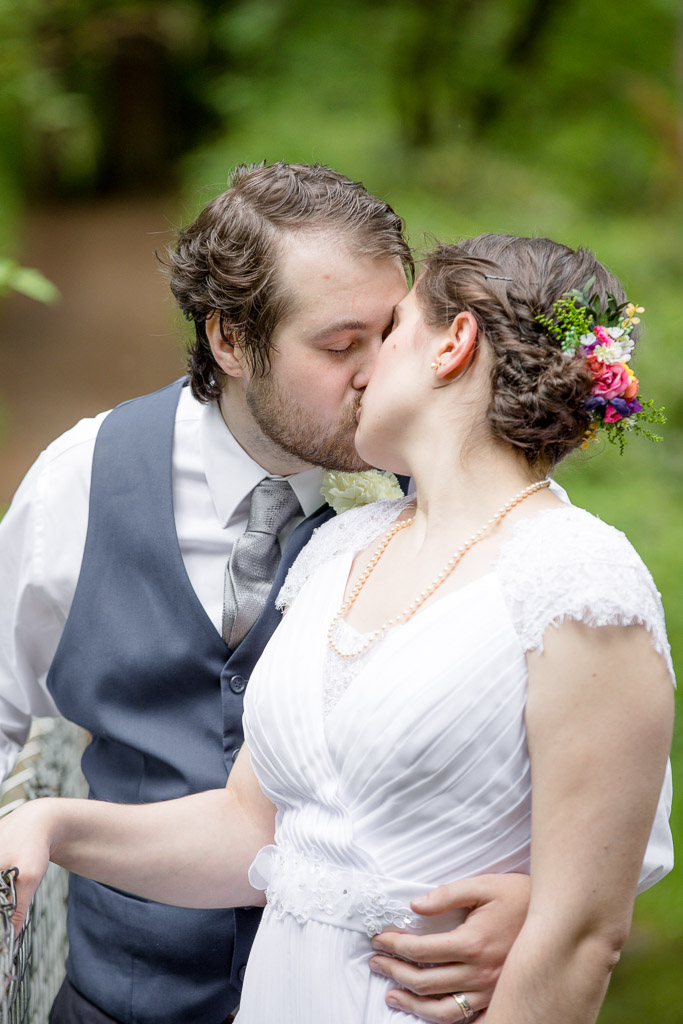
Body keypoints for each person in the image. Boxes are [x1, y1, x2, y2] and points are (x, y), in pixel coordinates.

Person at [0, 233, 674, 1024]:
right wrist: (52, 822)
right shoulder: (345, 546)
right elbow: (250, 832)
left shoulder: (580, 578)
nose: (364, 369)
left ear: (452, 344)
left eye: (391, 330)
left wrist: (540, 907)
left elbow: (579, 935)